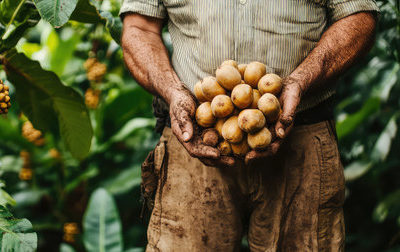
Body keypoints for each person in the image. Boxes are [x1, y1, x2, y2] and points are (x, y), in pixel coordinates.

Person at [120, 0, 379, 251]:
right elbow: (139, 28)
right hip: (195, 143)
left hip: (301, 143)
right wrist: (173, 91)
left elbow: (358, 17)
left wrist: (299, 81)